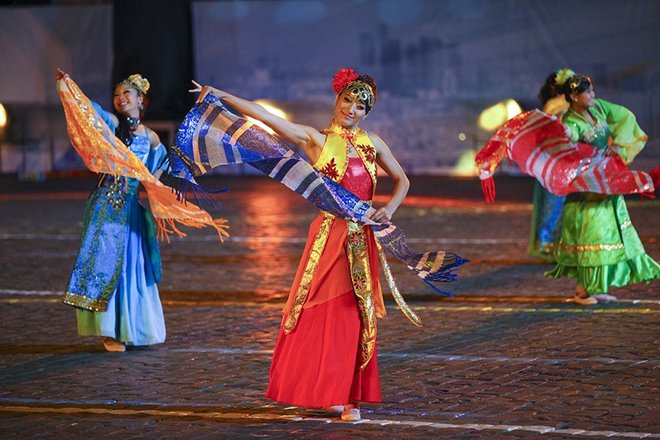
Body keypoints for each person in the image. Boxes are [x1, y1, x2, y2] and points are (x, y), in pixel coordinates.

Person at [191, 68, 411, 421]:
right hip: (330, 236)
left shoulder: (373, 144)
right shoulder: (315, 140)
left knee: (356, 314)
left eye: (360, 106)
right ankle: (328, 390)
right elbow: (268, 118)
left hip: (362, 239)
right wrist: (222, 95)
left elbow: (402, 180)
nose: (351, 109)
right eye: (347, 101)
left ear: (367, 113)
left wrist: (389, 209)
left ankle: (349, 397)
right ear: (337, 100)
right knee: (326, 313)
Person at [59, 69, 170, 351]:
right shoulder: (111, 125)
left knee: (132, 267)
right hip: (106, 208)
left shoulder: (152, 138)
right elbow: (89, 111)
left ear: (141, 100)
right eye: (117, 94)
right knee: (107, 265)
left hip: (131, 210)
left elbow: (157, 172)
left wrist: (160, 196)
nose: (121, 98)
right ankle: (109, 331)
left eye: (126, 94)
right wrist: (69, 86)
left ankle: (132, 328)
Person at [545, 71, 659, 304]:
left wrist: (617, 144)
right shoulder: (571, 122)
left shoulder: (598, 108)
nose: (593, 95)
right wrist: (564, 133)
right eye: (588, 92)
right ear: (574, 97)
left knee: (610, 233)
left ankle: (597, 286)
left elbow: (625, 117)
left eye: (593, 90)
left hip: (606, 181)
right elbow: (568, 140)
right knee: (593, 236)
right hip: (587, 189)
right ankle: (582, 291)